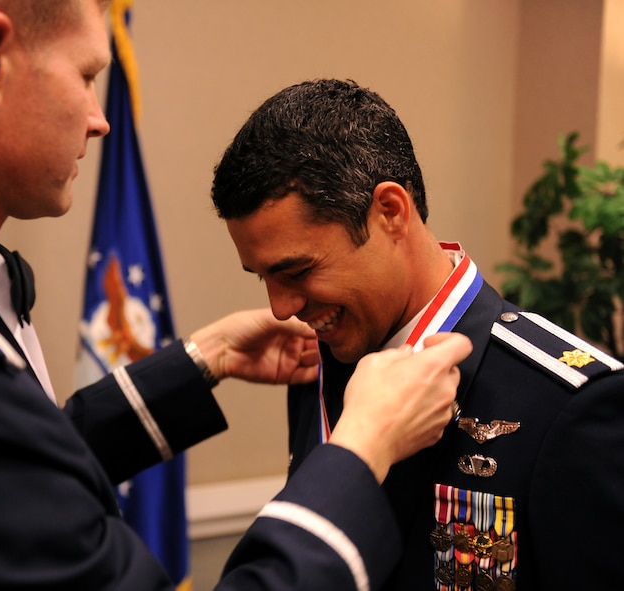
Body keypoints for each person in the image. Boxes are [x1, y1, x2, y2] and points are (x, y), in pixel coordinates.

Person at [0, 2, 472, 589]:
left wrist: (201, 359)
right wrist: (360, 447)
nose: (99, 116)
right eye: (88, 74)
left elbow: (7, 487)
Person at [210, 77, 624, 591]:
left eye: (296, 272)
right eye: (263, 277)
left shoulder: (575, 403)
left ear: (390, 212)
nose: (280, 308)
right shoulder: (324, 361)